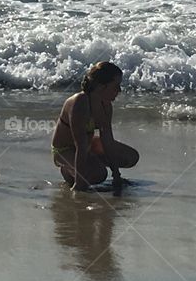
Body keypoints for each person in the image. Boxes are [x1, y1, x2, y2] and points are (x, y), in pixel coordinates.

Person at [51, 61, 138, 191]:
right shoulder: (79, 103)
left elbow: (107, 140)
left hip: (88, 145)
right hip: (65, 150)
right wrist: (79, 186)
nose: (119, 90)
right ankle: (69, 171)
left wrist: (116, 176)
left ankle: (85, 166)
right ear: (101, 87)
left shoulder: (106, 105)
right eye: (116, 86)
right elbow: (80, 144)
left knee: (131, 157)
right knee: (99, 174)